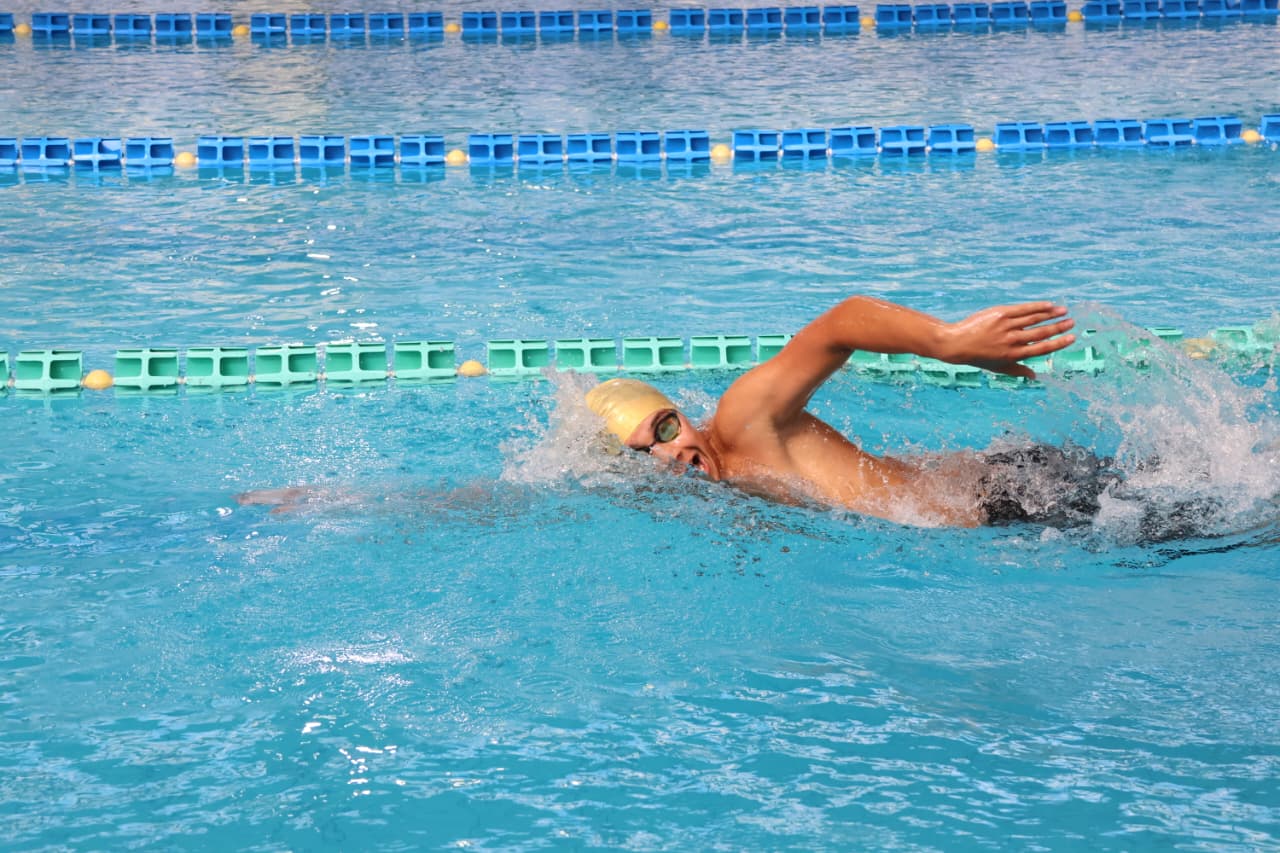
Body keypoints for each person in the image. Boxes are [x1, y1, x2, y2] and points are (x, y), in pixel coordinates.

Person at [586, 295, 1098, 529]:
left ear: (680, 414)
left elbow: (840, 325)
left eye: (666, 428)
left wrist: (947, 341)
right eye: (643, 453)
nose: (670, 454)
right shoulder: (705, 492)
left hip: (1015, 497)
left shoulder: (743, 421)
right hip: (997, 502)